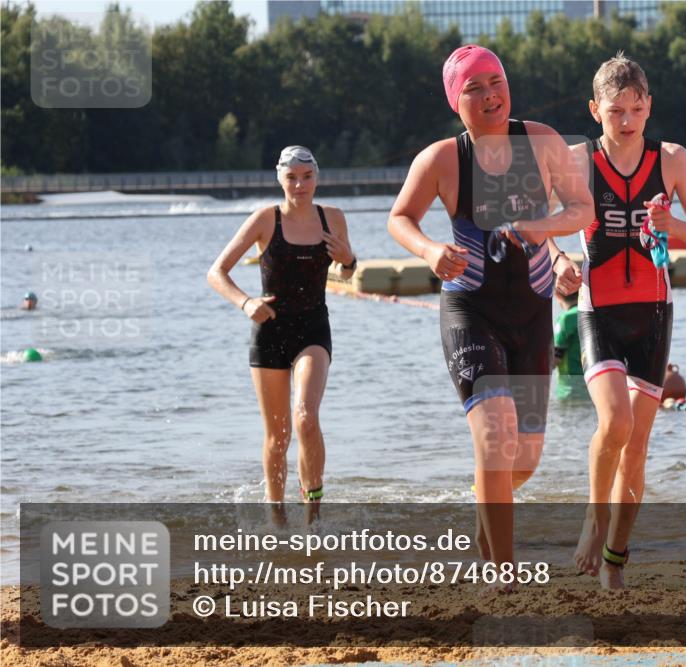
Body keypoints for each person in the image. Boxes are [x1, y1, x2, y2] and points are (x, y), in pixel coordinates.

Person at [387, 45, 593, 571]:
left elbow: (581, 207)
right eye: (473, 88)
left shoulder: (542, 141)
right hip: (470, 311)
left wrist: (547, 235)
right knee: (495, 438)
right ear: (455, 101)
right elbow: (400, 218)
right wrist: (430, 251)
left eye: (495, 82)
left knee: (523, 459)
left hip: (532, 312)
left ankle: (486, 500)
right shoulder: (440, 159)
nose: (488, 95)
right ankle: (502, 571)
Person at [554, 54, 686, 589]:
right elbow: (535, 227)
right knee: (615, 424)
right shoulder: (577, 161)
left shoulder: (672, 160)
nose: (626, 121)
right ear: (594, 110)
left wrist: (674, 225)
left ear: (649, 106)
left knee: (638, 445)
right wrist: (557, 262)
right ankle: (593, 517)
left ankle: (615, 559)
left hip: (653, 313)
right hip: (598, 311)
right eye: (615, 111)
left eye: (636, 109)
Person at [207, 146, 356, 506]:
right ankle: (276, 517)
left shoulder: (333, 218)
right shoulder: (264, 219)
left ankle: (312, 514)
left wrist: (349, 260)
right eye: (291, 178)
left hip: (313, 330)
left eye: (307, 177)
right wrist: (246, 302)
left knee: (306, 417)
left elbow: (347, 273)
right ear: (280, 180)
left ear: (317, 178)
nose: (299, 185)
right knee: (278, 436)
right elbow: (216, 272)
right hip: (270, 332)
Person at [553, 287, 587, 401]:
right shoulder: (592, 314)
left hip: (570, 390)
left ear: (557, 294)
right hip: (594, 388)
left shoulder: (566, 319)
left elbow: (555, 359)